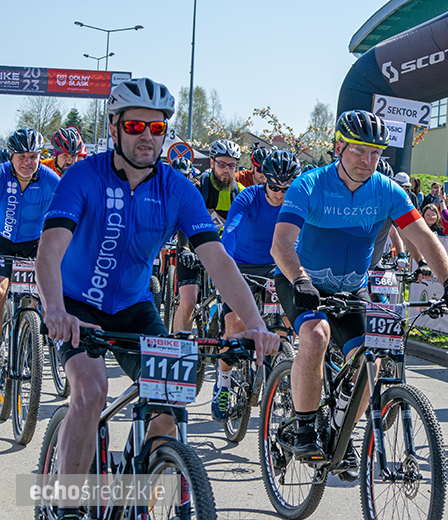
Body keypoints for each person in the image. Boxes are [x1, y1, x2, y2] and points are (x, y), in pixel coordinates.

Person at [35, 78, 280, 520]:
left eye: (157, 126)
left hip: (133, 307)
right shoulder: (81, 177)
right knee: (91, 393)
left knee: (169, 404)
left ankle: (138, 500)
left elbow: (217, 260)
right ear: (114, 128)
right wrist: (54, 309)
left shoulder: (177, 188)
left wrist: (256, 324)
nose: (146, 135)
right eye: (134, 125)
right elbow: (49, 250)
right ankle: (67, 507)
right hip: (76, 306)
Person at [271, 109, 448, 472]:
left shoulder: (386, 191)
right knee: (315, 336)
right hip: (302, 282)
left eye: (376, 153)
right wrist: (299, 279)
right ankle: (302, 428)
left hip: (351, 290)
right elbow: (281, 242)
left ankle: (339, 430)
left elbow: (423, 237)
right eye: (359, 151)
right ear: (338, 147)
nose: (368, 161)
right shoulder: (310, 184)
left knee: (372, 361)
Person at [214, 150, 301, 422]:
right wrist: (224, 262)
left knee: (287, 321)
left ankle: (282, 373)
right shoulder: (248, 197)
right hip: (240, 266)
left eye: (287, 188)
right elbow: (230, 231)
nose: (280, 193)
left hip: (276, 267)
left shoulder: (297, 203)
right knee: (236, 326)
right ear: (265, 180)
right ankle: (224, 384)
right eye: (275, 186)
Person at [171, 138, 245, 335]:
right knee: (188, 301)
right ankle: (179, 351)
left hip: (222, 253)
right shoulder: (197, 187)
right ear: (212, 162)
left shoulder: (239, 193)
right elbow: (184, 220)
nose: (227, 170)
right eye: (222, 164)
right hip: (193, 248)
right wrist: (185, 249)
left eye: (232, 165)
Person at [0, 129, 60, 317]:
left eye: (33, 156)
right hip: (3, 242)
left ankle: (44, 339)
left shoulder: (50, 179)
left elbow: (72, 210)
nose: (28, 162)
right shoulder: (2, 175)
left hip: (35, 244)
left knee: (49, 293)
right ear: (11, 155)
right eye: (22, 156)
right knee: (0, 292)